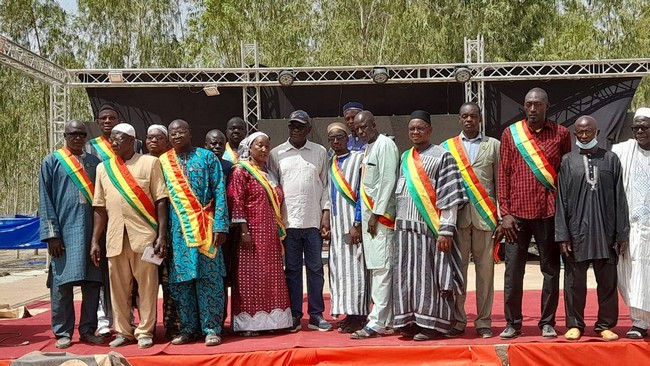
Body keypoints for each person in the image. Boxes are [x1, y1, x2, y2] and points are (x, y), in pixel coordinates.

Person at [496, 87, 572, 339]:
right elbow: (503, 174)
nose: (532, 109)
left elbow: (565, 175)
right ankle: (513, 323)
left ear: (547, 105)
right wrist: (504, 213)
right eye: (528, 104)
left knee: (550, 270)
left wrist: (564, 213)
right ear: (524, 106)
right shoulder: (511, 134)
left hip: (548, 213)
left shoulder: (561, 134)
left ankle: (547, 322)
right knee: (513, 272)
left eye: (537, 104)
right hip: (516, 216)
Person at [90, 123, 168, 349]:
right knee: (118, 288)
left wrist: (162, 235)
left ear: (132, 141)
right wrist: (95, 240)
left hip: (144, 236)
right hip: (114, 238)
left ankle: (145, 331)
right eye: (112, 139)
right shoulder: (103, 169)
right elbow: (99, 208)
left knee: (147, 286)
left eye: (119, 139)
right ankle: (123, 331)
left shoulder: (150, 163)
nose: (113, 143)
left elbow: (161, 200)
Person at [391, 110, 467, 341]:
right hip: (404, 230)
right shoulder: (405, 156)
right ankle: (410, 321)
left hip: (430, 230)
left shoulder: (443, 156)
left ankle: (432, 325)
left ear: (430, 130)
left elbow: (450, 197)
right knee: (407, 276)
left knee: (431, 278)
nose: (415, 132)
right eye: (412, 129)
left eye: (420, 128)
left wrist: (446, 230)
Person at [555, 115, 629, 341]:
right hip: (577, 233)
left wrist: (622, 233)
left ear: (597, 132)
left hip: (606, 233)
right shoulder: (568, 161)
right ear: (575, 134)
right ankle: (575, 324)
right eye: (580, 132)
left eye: (589, 131)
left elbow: (620, 198)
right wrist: (563, 235)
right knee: (574, 282)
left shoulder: (611, 159)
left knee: (607, 282)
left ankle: (605, 325)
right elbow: (561, 200)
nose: (584, 135)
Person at [160, 119, 229, 346]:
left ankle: (211, 328)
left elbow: (220, 190)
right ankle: (189, 328)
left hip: (207, 229)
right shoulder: (163, 162)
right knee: (182, 282)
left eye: (181, 132)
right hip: (177, 232)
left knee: (210, 281)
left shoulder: (207, 157)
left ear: (190, 133)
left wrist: (220, 225)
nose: (177, 136)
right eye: (173, 133)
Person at [39, 120, 105, 349]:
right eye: (73, 134)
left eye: (82, 134)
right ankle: (63, 332)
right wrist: (52, 235)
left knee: (92, 283)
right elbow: (45, 200)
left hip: (91, 234)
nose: (78, 137)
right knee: (61, 284)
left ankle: (88, 329)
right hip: (64, 235)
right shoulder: (52, 161)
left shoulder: (96, 163)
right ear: (65, 135)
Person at [269, 109, 332, 332]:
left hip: (313, 221)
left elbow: (326, 184)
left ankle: (316, 315)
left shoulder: (320, 152)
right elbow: (273, 188)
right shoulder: (276, 154)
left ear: (309, 129)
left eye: (300, 126)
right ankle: (295, 315)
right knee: (292, 270)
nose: (295, 129)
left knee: (316, 269)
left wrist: (326, 213)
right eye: (292, 125)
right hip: (289, 223)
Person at [442, 102, 500, 339]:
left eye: (473, 116)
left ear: (480, 119)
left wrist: (502, 214)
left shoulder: (493, 145)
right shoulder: (447, 147)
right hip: (458, 219)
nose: (469, 120)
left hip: (486, 217)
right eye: (464, 116)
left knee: (485, 273)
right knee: (458, 273)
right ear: (459, 119)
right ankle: (458, 320)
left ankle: (483, 321)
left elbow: (500, 182)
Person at [85, 102, 142, 337]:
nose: (108, 122)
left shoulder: (134, 146)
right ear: (97, 123)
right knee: (108, 276)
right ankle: (105, 317)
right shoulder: (90, 148)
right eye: (103, 119)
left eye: (112, 118)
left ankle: (133, 319)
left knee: (134, 277)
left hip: (134, 221)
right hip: (104, 216)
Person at [227, 132, 293, 335]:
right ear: (250, 147)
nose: (264, 150)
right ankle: (249, 324)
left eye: (267, 146)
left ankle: (274, 322)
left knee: (271, 276)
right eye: (260, 146)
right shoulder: (241, 171)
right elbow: (236, 201)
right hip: (252, 234)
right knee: (250, 278)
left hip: (271, 234)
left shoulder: (269, 174)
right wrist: (244, 231)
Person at [349, 110, 399, 339]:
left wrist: (376, 214)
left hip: (381, 219)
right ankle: (386, 320)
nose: (360, 131)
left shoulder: (385, 145)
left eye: (364, 127)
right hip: (371, 220)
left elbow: (388, 181)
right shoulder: (369, 147)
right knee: (378, 270)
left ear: (374, 124)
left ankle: (376, 322)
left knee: (381, 270)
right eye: (357, 129)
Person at [325, 122, 371, 333]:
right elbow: (328, 193)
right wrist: (325, 217)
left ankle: (360, 315)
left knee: (357, 270)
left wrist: (358, 222)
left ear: (347, 138)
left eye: (340, 137)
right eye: (332, 139)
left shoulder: (358, 158)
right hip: (336, 223)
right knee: (339, 271)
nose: (336, 141)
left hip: (353, 223)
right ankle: (348, 313)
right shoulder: (331, 162)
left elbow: (363, 192)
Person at [612, 107, 650, 339]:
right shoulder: (623, 152)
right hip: (632, 228)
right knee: (632, 273)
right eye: (635, 127)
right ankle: (639, 322)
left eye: (644, 126)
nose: (639, 131)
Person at [144, 124, 178, 339]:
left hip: (172, 234)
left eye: (158, 137)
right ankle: (145, 327)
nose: (153, 141)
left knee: (169, 283)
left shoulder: (174, 163)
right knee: (144, 285)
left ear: (166, 141)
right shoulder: (139, 163)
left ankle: (171, 324)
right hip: (145, 232)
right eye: (149, 137)